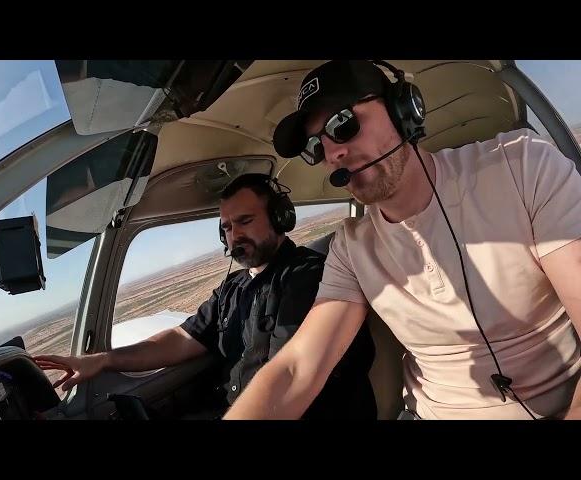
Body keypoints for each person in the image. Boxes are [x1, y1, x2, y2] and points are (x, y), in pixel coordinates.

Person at [223, 60, 581, 420]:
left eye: (343, 125)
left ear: (403, 109)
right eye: (317, 147)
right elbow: (297, 368)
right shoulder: (351, 248)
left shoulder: (522, 166)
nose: (333, 154)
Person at [34, 173, 376, 419]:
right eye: (226, 227)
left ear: (279, 218)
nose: (234, 235)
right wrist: (104, 360)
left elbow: (291, 378)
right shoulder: (232, 288)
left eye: (244, 221)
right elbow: (182, 338)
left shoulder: (309, 277)